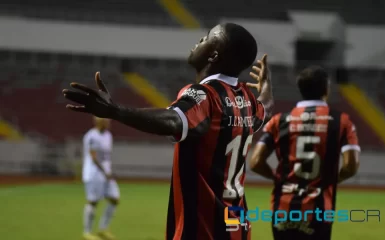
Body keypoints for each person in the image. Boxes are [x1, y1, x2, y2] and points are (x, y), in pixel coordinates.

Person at [62, 23, 274, 240]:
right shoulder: (247, 100)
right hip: (237, 226)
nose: (200, 40)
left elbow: (174, 120)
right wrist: (266, 87)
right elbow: (265, 108)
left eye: (207, 37)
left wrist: (115, 111)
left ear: (213, 55)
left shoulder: (204, 94)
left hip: (202, 229)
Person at [249, 66, 360, 240]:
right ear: (326, 89)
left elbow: (255, 162)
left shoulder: (279, 121)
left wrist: (277, 178)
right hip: (319, 209)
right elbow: (350, 167)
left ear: (300, 89)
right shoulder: (341, 121)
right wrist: (330, 180)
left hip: (283, 207)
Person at [82, 117, 119, 240]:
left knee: (114, 199)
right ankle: (87, 232)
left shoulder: (108, 135)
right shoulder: (91, 136)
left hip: (106, 174)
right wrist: (104, 172)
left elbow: (106, 157)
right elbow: (93, 157)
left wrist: (108, 171)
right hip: (93, 174)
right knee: (93, 201)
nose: (109, 122)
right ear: (98, 121)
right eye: (106, 120)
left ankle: (103, 228)